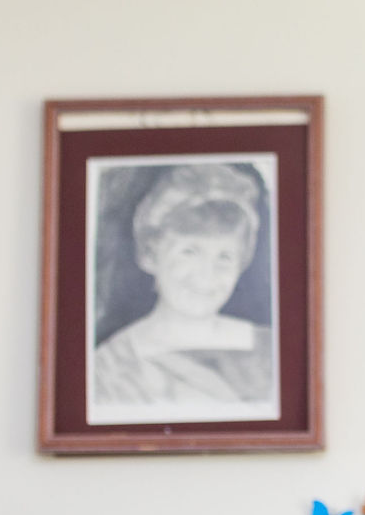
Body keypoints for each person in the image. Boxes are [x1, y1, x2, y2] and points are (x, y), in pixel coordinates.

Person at [91, 163, 273, 410]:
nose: (207, 273)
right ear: (151, 254)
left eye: (225, 257)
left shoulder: (270, 349)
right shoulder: (109, 367)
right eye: (189, 252)